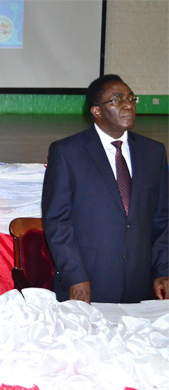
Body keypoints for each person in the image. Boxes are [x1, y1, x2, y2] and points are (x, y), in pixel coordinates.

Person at [42, 74, 168, 304]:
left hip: (139, 286)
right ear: (96, 111)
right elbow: (57, 222)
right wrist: (75, 276)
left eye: (131, 98)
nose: (128, 104)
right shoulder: (67, 152)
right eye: (117, 99)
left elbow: (162, 220)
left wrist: (163, 270)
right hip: (87, 284)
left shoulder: (154, 153)